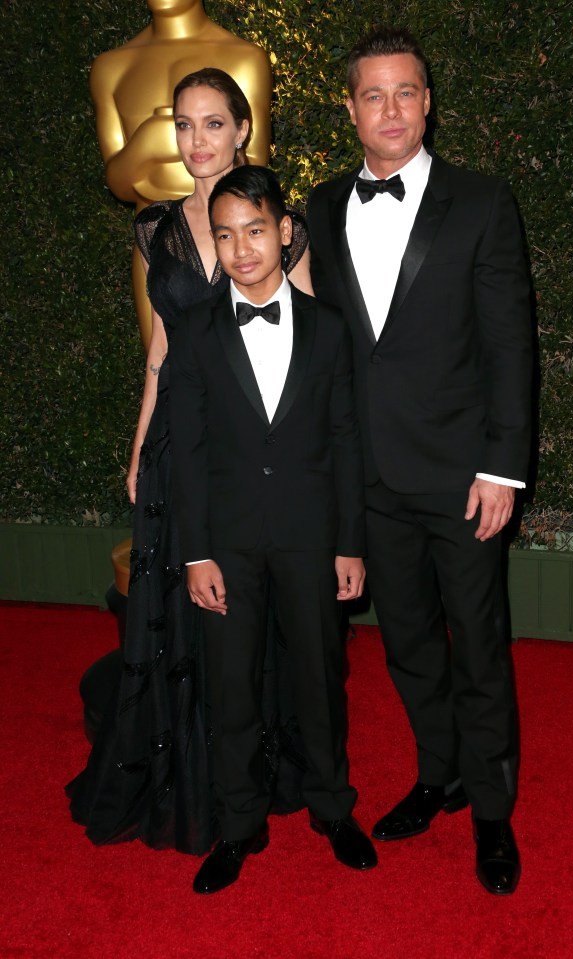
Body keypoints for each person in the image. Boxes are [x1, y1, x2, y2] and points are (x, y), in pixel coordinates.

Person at [307, 28, 533, 895]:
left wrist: (503, 468)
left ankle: (491, 810)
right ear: (351, 108)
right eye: (373, 94)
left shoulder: (481, 201)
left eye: (406, 92)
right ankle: (437, 772)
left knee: (478, 646)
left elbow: (512, 346)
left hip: (462, 476)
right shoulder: (322, 209)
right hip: (370, 479)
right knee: (407, 645)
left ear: (428, 101)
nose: (390, 109)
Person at [66, 69, 312, 856]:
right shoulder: (154, 230)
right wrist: (140, 448)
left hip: (249, 449)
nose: (197, 140)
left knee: (244, 608)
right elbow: (159, 351)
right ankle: (185, 770)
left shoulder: (281, 224)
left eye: (213, 123)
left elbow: (303, 347)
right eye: (184, 124)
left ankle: (250, 765)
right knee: (177, 606)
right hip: (178, 442)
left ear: (243, 130)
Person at [169, 164, 377, 894]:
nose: (242, 249)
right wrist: (195, 551)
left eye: (256, 230)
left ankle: (332, 808)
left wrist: (350, 541)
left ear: (284, 232)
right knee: (232, 688)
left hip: (311, 535)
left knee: (321, 677)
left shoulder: (328, 328)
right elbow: (186, 452)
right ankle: (238, 824)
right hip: (224, 541)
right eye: (225, 235)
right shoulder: (192, 330)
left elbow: (347, 438)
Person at [89, 0, 273, 346]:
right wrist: (148, 142)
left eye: (214, 122)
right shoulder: (111, 68)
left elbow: (255, 172)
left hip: (235, 238)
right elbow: (117, 182)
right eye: (183, 125)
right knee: (167, 367)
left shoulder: (245, 58)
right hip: (158, 246)